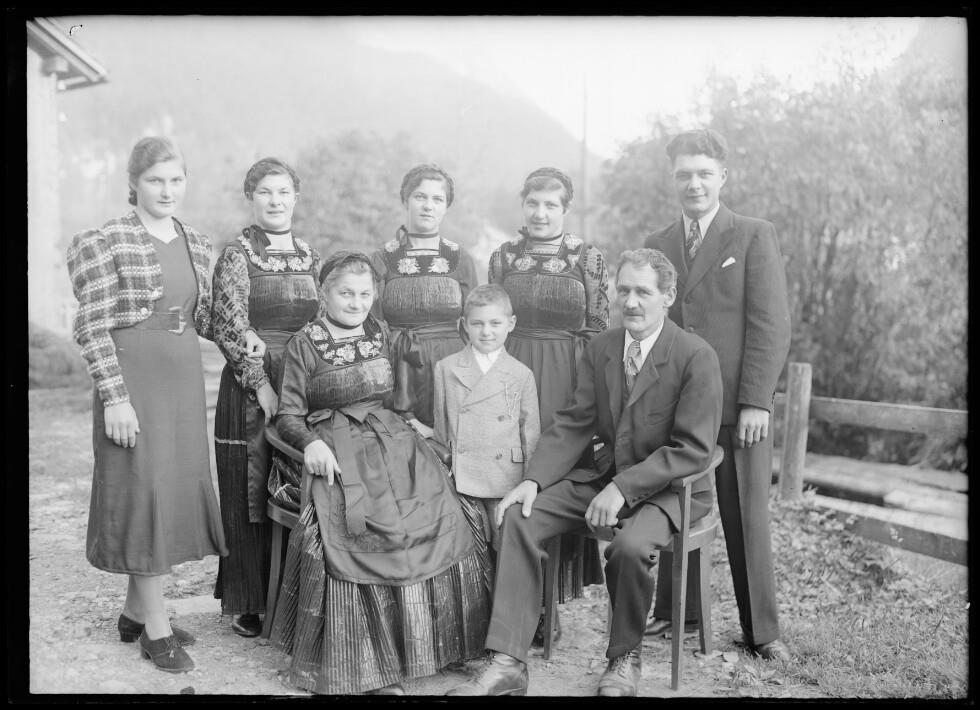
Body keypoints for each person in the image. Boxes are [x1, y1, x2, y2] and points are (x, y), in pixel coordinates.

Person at [447, 248, 723, 697]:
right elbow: (575, 423)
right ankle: (509, 662)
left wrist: (623, 488)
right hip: (604, 477)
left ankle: (624, 659)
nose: (630, 302)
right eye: (624, 290)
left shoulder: (696, 356)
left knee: (630, 547)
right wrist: (533, 481)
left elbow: (693, 449)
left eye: (643, 292)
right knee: (520, 517)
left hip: (672, 491)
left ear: (669, 296)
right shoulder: (603, 348)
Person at [269, 251, 492, 695]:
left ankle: (444, 642)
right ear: (324, 294)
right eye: (345, 294)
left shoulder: (380, 333)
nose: (356, 303)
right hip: (335, 442)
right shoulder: (304, 344)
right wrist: (310, 443)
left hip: (389, 436)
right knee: (366, 524)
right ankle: (368, 663)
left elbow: (395, 400)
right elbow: (288, 414)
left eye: (364, 294)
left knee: (439, 503)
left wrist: (417, 428)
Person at [66, 136, 227, 673]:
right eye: (156, 180)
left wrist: (247, 339)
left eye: (176, 179)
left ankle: (135, 612)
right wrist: (115, 398)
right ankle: (155, 627)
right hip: (133, 377)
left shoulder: (197, 242)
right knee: (144, 490)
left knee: (171, 489)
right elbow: (92, 326)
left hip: (181, 378)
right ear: (134, 183)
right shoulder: (105, 240)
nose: (167, 190)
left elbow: (205, 318)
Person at [644, 128, 792, 662]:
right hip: (677, 407)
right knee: (674, 505)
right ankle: (676, 613)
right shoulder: (658, 243)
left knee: (746, 517)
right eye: (684, 174)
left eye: (704, 173)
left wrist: (756, 400)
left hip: (736, 407)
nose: (694, 184)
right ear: (672, 179)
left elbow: (771, 324)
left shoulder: (752, 235)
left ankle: (762, 632)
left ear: (722, 177)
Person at [488, 166, 609, 643]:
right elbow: (491, 320)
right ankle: (509, 600)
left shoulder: (587, 257)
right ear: (523, 205)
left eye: (550, 205)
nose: (540, 213)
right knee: (509, 475)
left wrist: (588, 393)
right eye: (533, 203)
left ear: (565, 209)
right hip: (512, 373)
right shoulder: (505, 256)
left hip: (565, 378)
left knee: (552, 479)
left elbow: (598, 328)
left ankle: (547, 606)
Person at [210, 158, 321, 638]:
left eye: (283, 192)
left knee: (297, 483)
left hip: (301, 378)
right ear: (250, 198)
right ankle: (249, 600)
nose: (275, 201)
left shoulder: (310, 255)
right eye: (265, 193)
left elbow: (322, 320)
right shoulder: (237, 255)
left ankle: (291, 595)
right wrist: (260, 384)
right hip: (250, 386)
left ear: (296, 197)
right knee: (249, 489)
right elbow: (227, 323)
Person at [369, 164, 479, 439]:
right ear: (405, 200)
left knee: (450, 444)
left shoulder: (459, 258)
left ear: (446, 206)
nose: (428, 206)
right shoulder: (383, 258)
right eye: (420, 197)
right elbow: (371, 323)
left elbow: (474, 323)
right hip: (399, 367)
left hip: (450, 365)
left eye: (437, 199)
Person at [432, 284, 541, 555]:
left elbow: (530, 437)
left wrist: (528, 482)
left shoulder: (521, 374)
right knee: (468, 550)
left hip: (505, 478)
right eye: (477, 323)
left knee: (505, 548)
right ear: (464, 325)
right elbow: (441, 430)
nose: (486, 332)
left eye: (495, 323)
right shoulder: (447, 368)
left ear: (511, 324)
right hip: (463, 477)